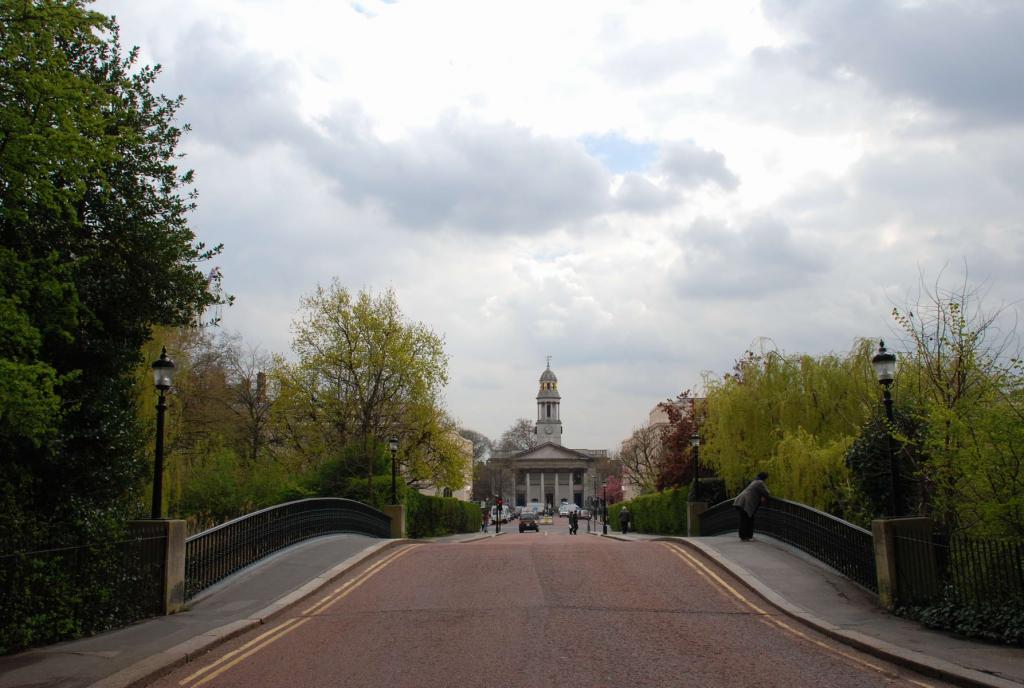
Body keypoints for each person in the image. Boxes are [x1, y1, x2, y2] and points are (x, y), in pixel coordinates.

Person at [733, 472, 769, 541]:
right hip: (745, 503)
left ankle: (743, 536)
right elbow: (767, 492)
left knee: (744, 519)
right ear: (764, 478)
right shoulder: (760, 482)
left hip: (740, 501)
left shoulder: (754, 481)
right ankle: (747, 536)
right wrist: (763, 496)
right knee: (748, 520)